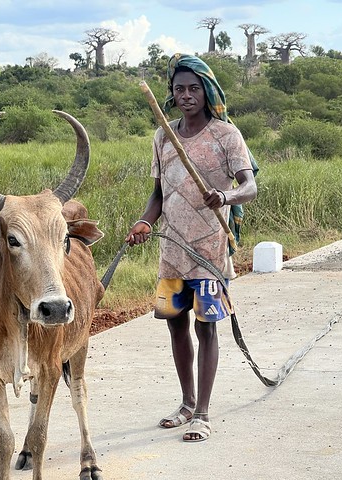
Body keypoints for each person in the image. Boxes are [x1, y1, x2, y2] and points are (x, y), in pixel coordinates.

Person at [125, 53, 257, 442]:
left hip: (209, 251)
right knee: (175, 326)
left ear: (207, 91)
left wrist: (225, 196)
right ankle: (185, 403)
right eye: (179, 89)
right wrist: (145, 221)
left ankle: (203, 412)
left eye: (194, 88)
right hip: (172, 251)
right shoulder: (162, 137)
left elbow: (249, 186)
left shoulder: (226, 135)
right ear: (172, 94)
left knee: (207, 328)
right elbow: (159, 194)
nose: (186, 95)